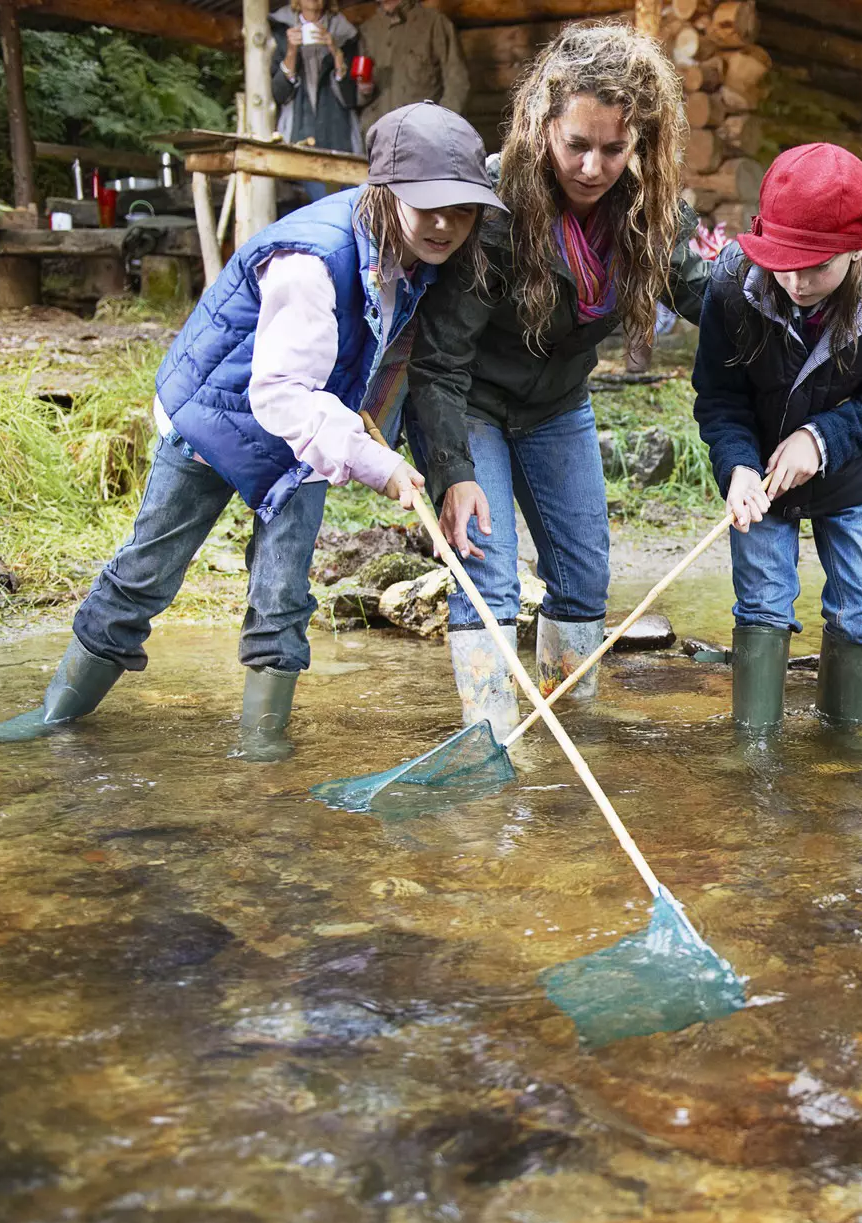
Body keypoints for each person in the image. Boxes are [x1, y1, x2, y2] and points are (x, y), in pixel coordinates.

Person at [0, 104, 502, 761]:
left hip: (310, 430)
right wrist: (372, 461)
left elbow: (390, 364)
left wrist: (416, 457)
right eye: (428, 203)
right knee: (148, 571)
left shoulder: (423, 260)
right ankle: (58, 713)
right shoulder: (311, 258)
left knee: (283, 593)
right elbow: (279, 393)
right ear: (385, 188)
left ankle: (263, 750)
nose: (445, 223)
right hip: (216, 417)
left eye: (461, 209)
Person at [407, 22, 708, 737]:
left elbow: (706, 295)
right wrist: (451, 472)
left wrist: (792, 312)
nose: (592, 165)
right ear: (543, 124)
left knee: (583, 578)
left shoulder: (647, 211)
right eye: (576, 144)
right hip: (469, 403)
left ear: (640, 143)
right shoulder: (492, 208)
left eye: (614, 148)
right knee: (490, 580)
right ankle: (489, 737)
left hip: (555, 407)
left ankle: (569, 735)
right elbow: (440, 359)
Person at [692, 143, 862, 735]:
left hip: (853, 470)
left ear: (855, 249)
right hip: (760, 472)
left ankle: (842, 755)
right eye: (783, 260)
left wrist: (819, 440)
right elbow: (721, 399)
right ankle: (756, 751)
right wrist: (738, 467)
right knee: (764, 603)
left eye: (816, 265)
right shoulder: (732, 283)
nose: (795, 279)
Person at [273, 0, 365, 206]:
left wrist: (336, 52)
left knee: (347, 199)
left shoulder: (345, 34)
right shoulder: (279, 29)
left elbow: (351, 98)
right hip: (297, 135)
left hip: (339, 136)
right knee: (302, 202)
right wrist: (291, 51)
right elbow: (279, 94)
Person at [355, 0, 470, 132]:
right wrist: (364, 91)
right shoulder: (367, 30)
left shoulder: (434, 23)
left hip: (423, 137)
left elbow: (458, 84)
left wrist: (439, 129)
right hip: (379, 139)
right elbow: (359, 96)